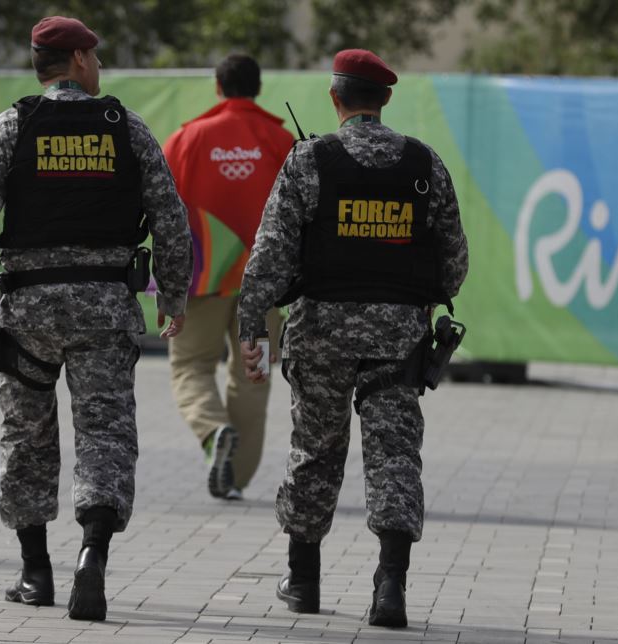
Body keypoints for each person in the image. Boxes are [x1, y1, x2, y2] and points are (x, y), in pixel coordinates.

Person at [0, 16, 192, 622]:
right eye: (94, 57)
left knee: (27, 437)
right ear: (76, 60)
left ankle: (34, 572)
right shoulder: (124, 127)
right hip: (104, 307)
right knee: (105, 433)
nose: (98, 67)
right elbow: (170, 220)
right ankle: (92, 556)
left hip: (28, 311)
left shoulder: (11, 125)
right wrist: (172, 297)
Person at [237, 49, 469, 628]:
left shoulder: (308, 160)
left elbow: (269, 256)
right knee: (394, 456)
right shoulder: (424, 163)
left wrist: (250, 325)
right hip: (398, 340)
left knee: (314, 451)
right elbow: (454, 262)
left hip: (320, 335)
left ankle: (304, 581)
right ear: (385, 99)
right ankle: (390, 586)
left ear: (335, 99)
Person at [162, 54, 293, 501]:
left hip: (202, 277)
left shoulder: (187, 138)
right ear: (258, 88)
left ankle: (213, 431)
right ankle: (234, 478)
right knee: (252, 374)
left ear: (218, 86)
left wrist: (164, 281)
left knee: (191, 366)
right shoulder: (281, 140)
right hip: (268, 282)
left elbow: (161, 212)